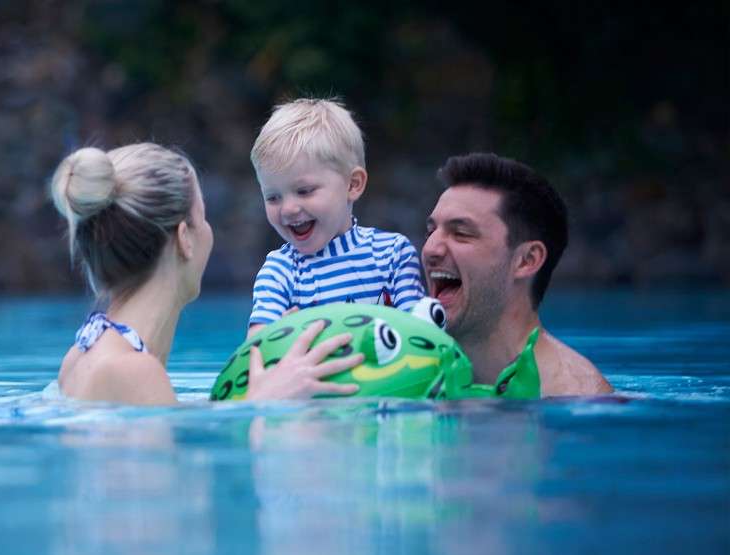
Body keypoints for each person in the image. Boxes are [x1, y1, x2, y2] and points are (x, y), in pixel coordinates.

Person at [49, 143, 364, 405]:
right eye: (204, 217)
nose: (209, 233)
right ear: (185, 238)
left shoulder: (82, 355)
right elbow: (161, 478)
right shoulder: (131, 371)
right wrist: (263, 404)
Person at [423, 152, 613, 396]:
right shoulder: (408, 365)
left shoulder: (575, 395)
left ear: (526, 260)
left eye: (461, 233)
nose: (429, 249)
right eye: (430, 231)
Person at [246, 97, 424, 338]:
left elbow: (422, 336)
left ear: (353, 184)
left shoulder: (392, 255)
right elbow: (254, 352)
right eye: (273, 197)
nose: (287, 208)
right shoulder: (280, 272)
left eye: (304, 191)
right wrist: (272, 338)